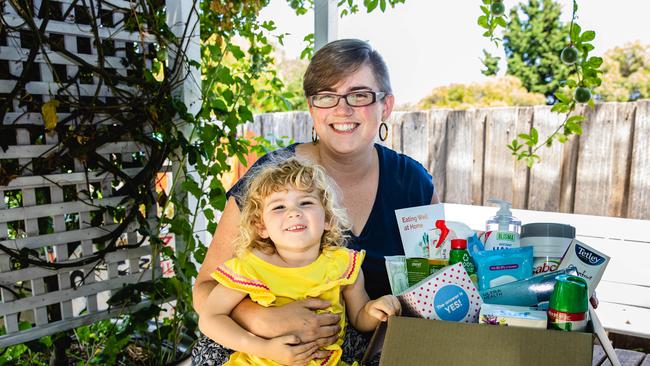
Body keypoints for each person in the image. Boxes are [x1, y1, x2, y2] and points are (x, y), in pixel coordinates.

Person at [192, 38, 440, 365]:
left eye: (360, 94)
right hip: (259, 346)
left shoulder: (414, 185)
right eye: (326, 96)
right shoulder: (271, 180)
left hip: (366, 348)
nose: (342, 109)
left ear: (386, 106)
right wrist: (261, 319)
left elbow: (437, 282)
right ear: (312, 109)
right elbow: (205, 290)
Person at [199, 158, 401, 365]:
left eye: (305, 203)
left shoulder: (342, 265)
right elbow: (210, 318)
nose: (293, 212)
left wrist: (374, 310)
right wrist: (265, 348)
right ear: (262, 227)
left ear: (328, 219)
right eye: (278, 207)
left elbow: (359, 318)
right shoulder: (252, 267)